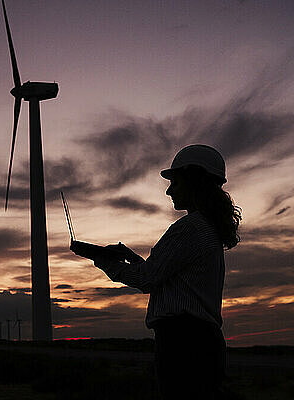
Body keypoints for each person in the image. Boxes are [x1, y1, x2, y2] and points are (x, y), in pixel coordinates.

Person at [72, 144, 241, 400]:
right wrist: (132, 259)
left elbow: (146, 279)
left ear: (193, 181)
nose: (169, 190)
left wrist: (103, 260)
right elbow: (167, 276)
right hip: (203, 342)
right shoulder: (208, 228)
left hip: (183, 343)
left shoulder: (190, 227)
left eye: (175, 182)